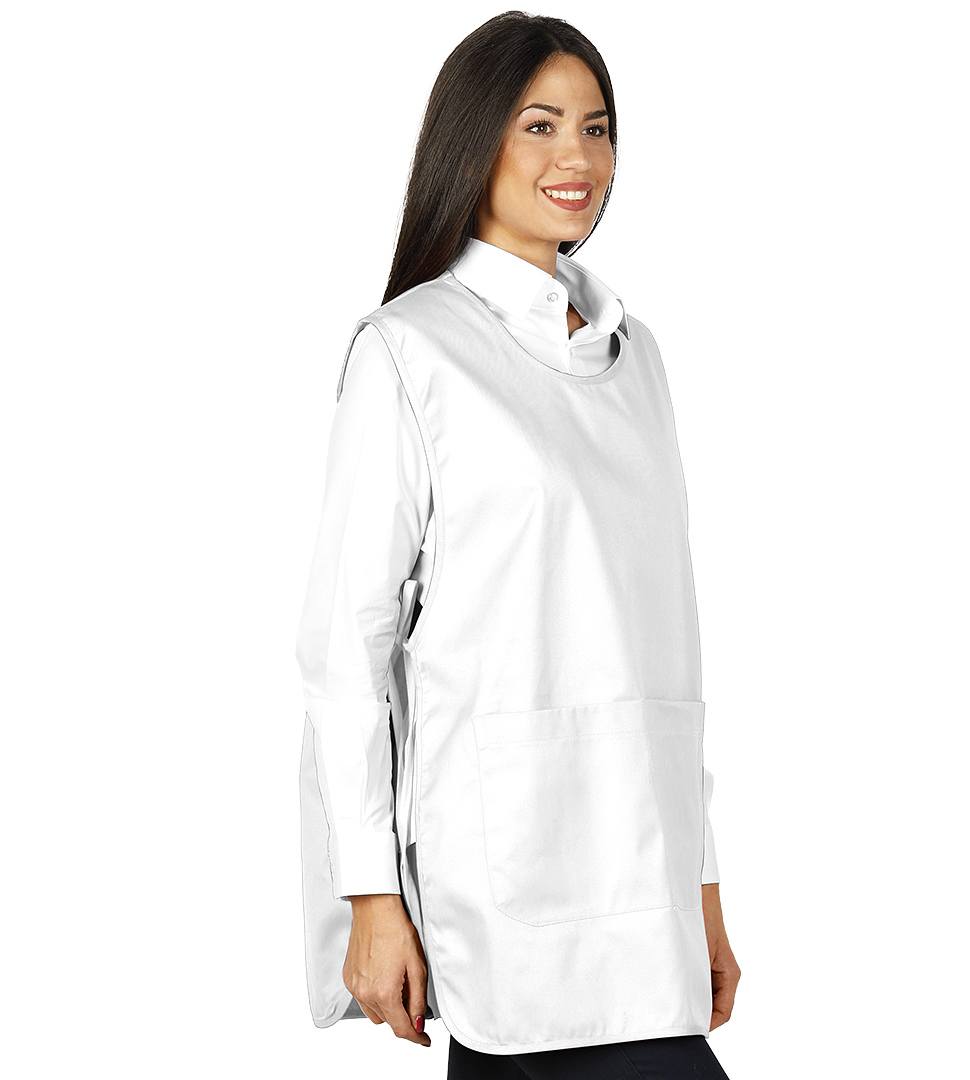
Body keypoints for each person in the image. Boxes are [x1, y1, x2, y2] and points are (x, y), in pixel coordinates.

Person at [295, 12, 741, 1078]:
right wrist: (370, 895)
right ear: (474, 140)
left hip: (644, 880)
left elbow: (667, 650)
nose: (575, 156)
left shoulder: (636, 357)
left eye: (596, 127)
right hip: (505, 876)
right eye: (538, 125)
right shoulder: (410, 352)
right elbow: (346, 650)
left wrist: (702, 892)